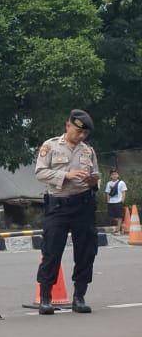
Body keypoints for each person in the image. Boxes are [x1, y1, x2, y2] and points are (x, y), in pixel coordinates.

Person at [35, 110, 100, 314]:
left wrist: (93, 181)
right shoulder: (51, 146)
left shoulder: (88, 151)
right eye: (78, 131)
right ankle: (46, 298)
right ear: (68, 125)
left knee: (86, 251)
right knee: (52, 250)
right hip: (58, 205)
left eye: (85, 133)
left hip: (83, 204)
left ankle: (79, 297)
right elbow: (40, 172)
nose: (81, 136)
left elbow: (96, 175)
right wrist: (66, 175)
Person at [104, 168, 127, 235]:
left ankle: (118, 230)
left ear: (118, 175)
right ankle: (122, 225)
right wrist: (108, 201)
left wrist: (122, 200)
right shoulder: (108, 183)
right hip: (111, 202)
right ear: (110, 176)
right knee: (112, 216)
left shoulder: (121, 182)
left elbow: (123, 192)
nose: (114, 175)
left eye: (115, 174)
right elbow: (107, 193)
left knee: (119, 216)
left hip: (118, 202)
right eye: (113, 174)